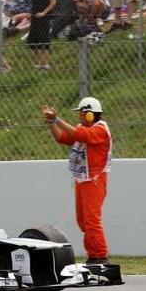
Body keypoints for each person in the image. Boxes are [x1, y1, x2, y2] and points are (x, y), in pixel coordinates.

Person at [41, 97, 112, 264]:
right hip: (82, 179)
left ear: (91, 114)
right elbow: (62, 138)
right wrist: (51, 123)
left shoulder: (100, 129)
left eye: (82, 113)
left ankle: (100, 256)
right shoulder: (82, 128)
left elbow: (81, 135)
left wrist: (57, 119)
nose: (80, 117)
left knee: (92, 220)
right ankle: (93, 255)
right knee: (82, 220)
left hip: (94, 179)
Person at [27, 0, 56, 70]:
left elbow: (53, 2)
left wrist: (44, 12)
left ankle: (46, 64)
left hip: (43, 17)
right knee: (34, 41)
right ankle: (36, 65)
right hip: (35, 17)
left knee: (44, 41)